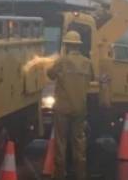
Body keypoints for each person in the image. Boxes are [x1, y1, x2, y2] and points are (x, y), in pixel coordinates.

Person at [47, 30, 93, 180]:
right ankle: (81, 175)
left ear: (66, 45)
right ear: (78, 46)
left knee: (61, 143)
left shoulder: (61, 61)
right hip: (80, 108)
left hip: (62, 108)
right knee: (79, 143)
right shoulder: (87, 62)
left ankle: (59, 176)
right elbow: (91, 78)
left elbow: (50, 74)